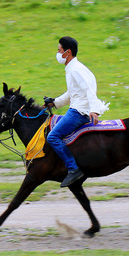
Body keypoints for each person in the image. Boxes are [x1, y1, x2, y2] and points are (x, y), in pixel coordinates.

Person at [44, 36, 109, 187]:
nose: (57, 53)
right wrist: (54, 102)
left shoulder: (76, 70)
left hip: (78, 113)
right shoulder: (74, 68)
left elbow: (88, 90)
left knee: (53, 136)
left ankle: (73, 169)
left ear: (67, 52)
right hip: (78, 109)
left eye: (59, 50)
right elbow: (72, 93)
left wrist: (95, 110)